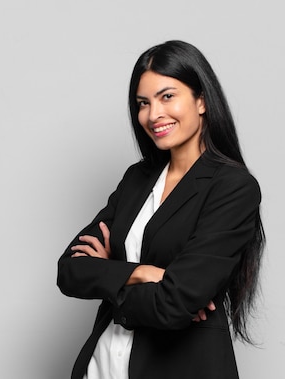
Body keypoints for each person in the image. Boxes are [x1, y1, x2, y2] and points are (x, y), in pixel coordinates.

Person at [57, 40, 265, 379]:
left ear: (201, 100)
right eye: (143, 103)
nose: (153, 115)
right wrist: (140, 273)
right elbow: (69, 270)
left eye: (167, 96)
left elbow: (174, 304)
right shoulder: (137, 179)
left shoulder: (232, 187)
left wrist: (111, 275)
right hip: (103, 366)